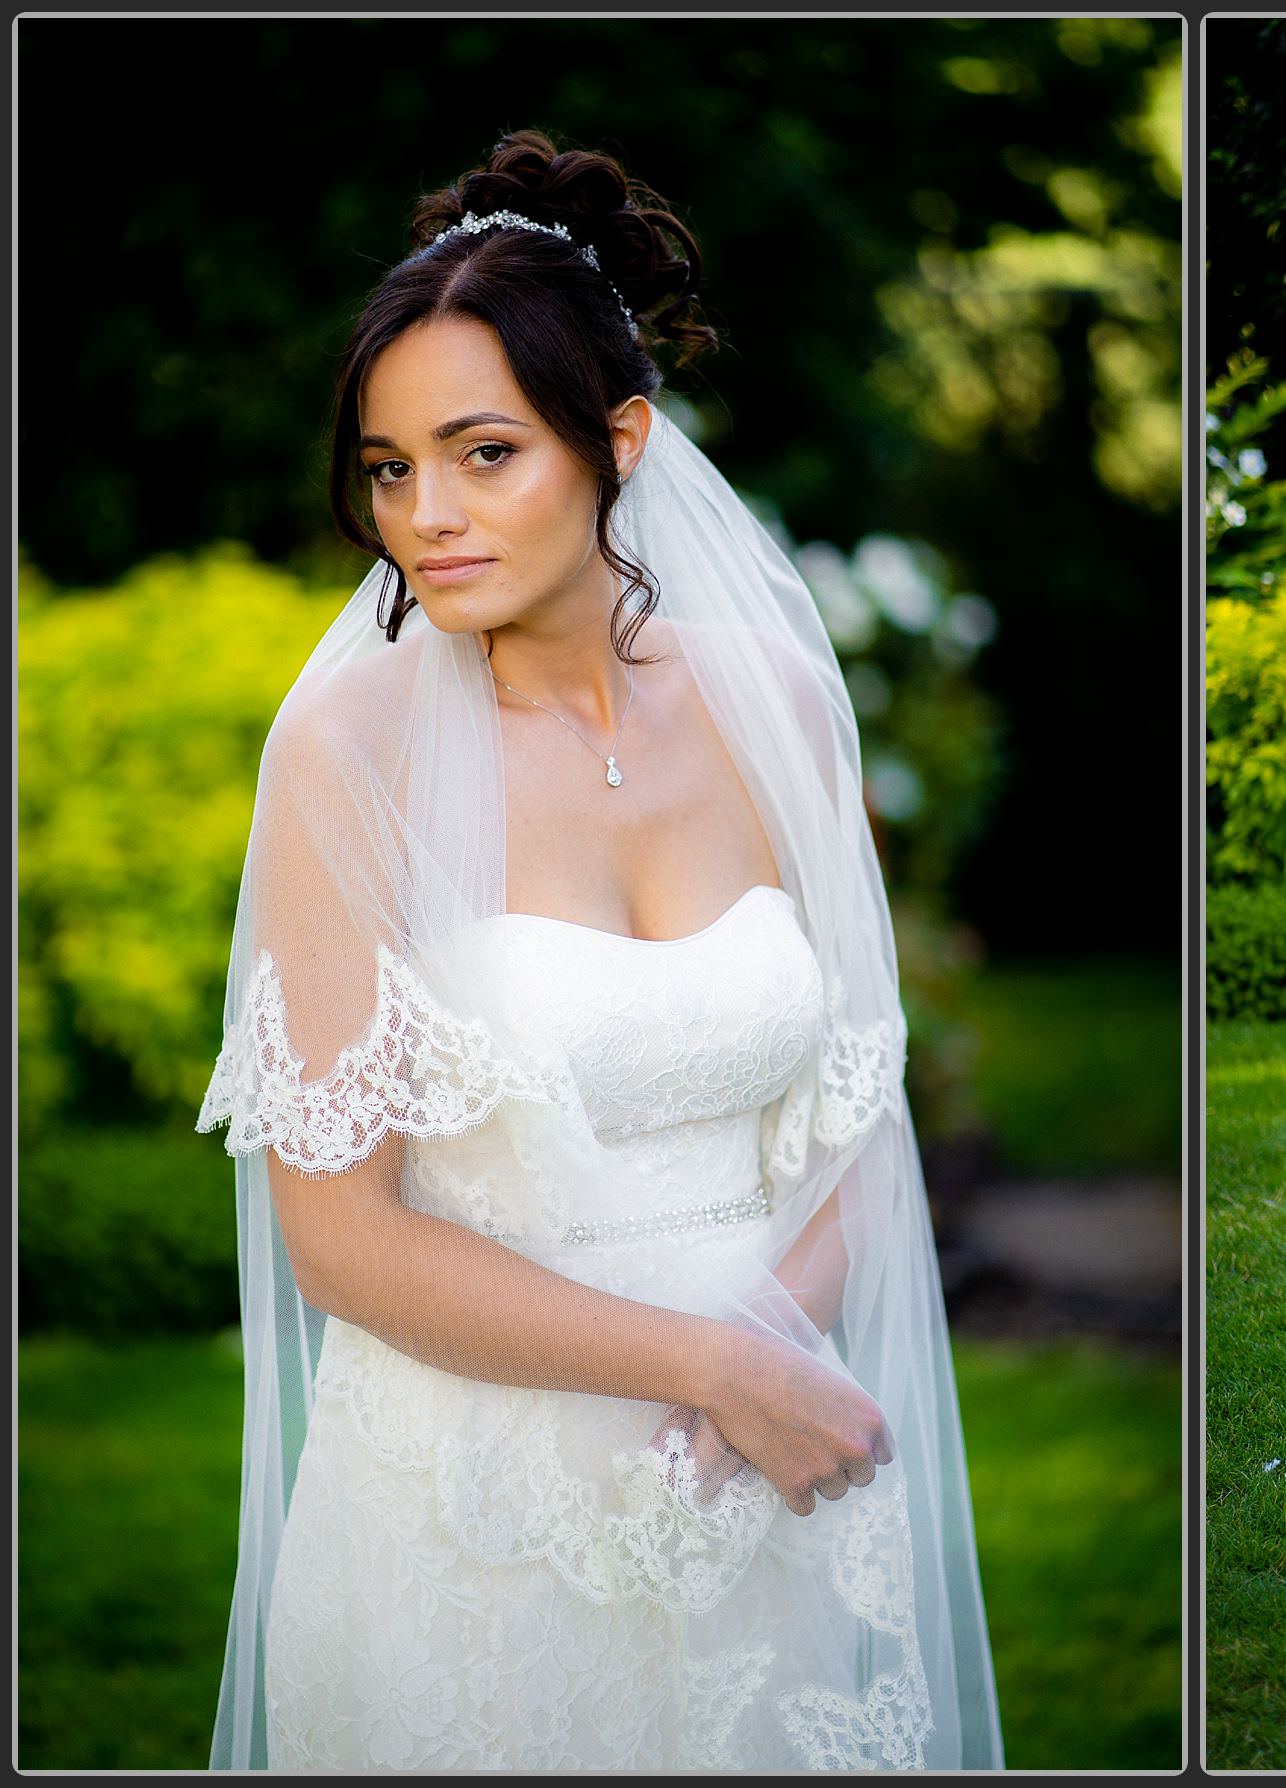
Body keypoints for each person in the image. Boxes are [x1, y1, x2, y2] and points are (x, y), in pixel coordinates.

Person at [197, 129, 1003, 1768]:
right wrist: (710, 1364)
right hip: (475, 1512)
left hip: (755, 1470)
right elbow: (341, 1243)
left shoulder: (774, 698)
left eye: (484, 453)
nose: (426, 516)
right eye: (390, 467)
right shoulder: (346, 745)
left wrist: (756, 1380)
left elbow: (859, 1105)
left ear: (618, 440)